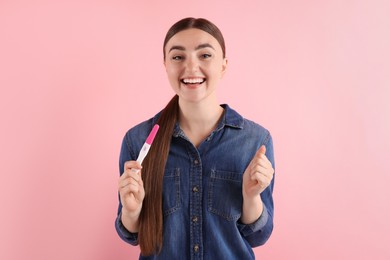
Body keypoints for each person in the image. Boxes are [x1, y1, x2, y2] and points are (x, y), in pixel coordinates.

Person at [115, 17, 275, 259]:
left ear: (223, 65)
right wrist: (131, 210)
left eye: (205, 55)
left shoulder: (255, 140)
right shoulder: (137, 141)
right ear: (165, 65)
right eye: (178, 57)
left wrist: (251, 196)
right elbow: (131, 234)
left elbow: (258, 237)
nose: (191, 68)